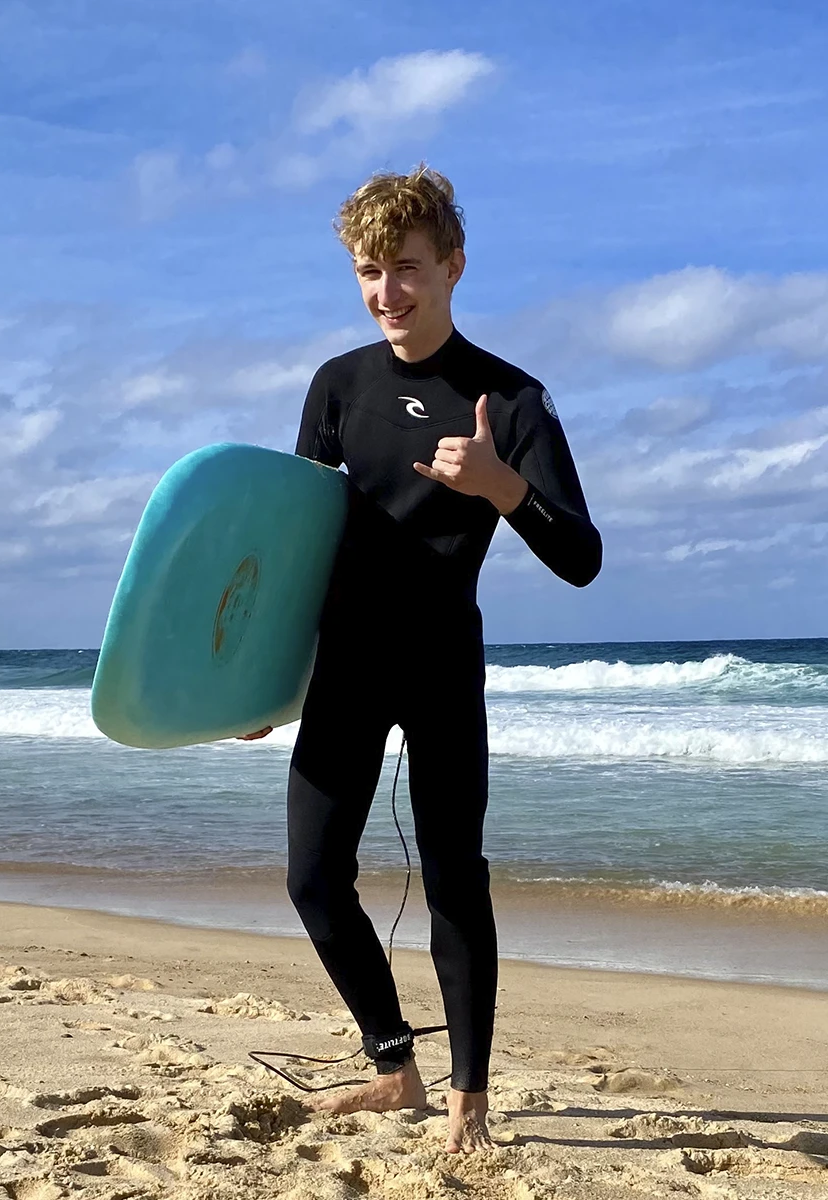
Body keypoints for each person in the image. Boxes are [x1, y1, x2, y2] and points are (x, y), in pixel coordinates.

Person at [239, 165, 601, 1153]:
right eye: (368, 270)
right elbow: (295, 543)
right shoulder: (336, 386)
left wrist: (498, 486)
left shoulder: (510, 399)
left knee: (453, 880)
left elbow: (580, 557)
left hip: (441, 666)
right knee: (311, 878)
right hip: (346, 666)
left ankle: (468, 1098)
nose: (386, 291)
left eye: (406, 268)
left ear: (451, 268)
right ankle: (391, 1064)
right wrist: (264, 679)